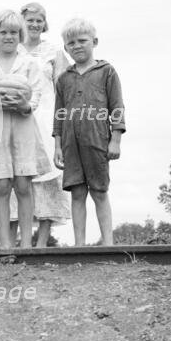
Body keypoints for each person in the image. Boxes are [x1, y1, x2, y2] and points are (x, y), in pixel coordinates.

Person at [0, 9, 51, 249]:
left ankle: (26, 244)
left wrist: (25, 105)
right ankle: (6, 245)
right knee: (2, 186)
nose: (9, 37)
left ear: (21, 35)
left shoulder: (29, 64)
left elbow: (36, 93)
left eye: (14, 32)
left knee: (24, 185)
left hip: (23, 128)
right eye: (3, 32)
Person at [53, 18, 125, 246]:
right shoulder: (64, 78)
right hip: (70, 145)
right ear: (66, 48)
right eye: (71, 43)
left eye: (82, 40)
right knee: (77, 193)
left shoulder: (107, 71)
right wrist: (57, 146)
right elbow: (59, 114)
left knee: (100, 191)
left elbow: (117, 107)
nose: (76, 46)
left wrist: (115, 140)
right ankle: (79, 245)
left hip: (98, 141)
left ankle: (108, 244)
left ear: (94, 41)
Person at [9, 2, 71, 247]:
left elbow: (64, 86)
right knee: (16, 178)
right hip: (19, 117)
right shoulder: (13, 49)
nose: (35, 24)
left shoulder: (54, 51)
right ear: (21, 23)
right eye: (30, 20)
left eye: (39, 20)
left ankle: (41, 243)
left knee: (49, 177)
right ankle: (13, 242)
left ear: (45, 24)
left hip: (47, 118)